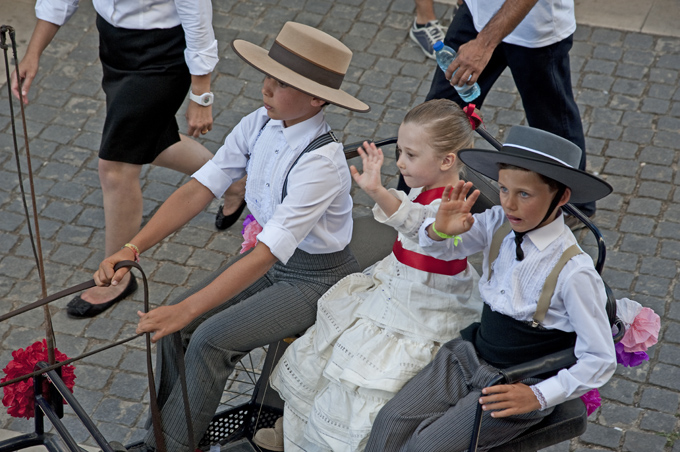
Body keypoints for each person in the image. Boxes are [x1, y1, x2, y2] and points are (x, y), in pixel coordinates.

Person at [93, 21, 370, 452]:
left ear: (317, 98)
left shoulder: (321, 163)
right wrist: (132, 248)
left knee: (207, 337)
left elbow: (264, 254)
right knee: (175, 332)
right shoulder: (259, 122)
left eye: (281, 84)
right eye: (269, 76)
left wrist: (186, 310)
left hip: (315, 277)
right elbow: (199, 188)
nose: (266, 88)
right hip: (276, 261)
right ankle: (163, 438)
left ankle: (172, 447)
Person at [365, 126, 617, 451]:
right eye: (503, 189)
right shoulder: (498, 221)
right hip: (470, 355)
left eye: (524, 194)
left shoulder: (574, 272)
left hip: (518, 381)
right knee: (389, 421)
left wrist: (538, 396)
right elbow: (444, 248)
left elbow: (599, 358)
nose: (509, 204)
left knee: (424, 447)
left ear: (562, 197)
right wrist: (441, 231)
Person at [253, 99, 484, 452]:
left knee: (371, 377)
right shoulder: (427, 185)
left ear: (446, 160)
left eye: (410, 154)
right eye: (400, 151)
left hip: (421, 303)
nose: (400, 162)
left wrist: (378, 191)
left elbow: (424, 227)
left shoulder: (451, 205)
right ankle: (300, 432)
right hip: (398, 282)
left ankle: (335, 442)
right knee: (336, 352)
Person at [9, 0, 249, 318]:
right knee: (156, 142)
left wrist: (200, 94)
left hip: (163, 53)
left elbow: (197, 12)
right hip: (115, 44)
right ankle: (234, 181)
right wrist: (33, 52)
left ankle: (118, 275)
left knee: (116, 167)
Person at [415, 0, 596, 227]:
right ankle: (413, 202)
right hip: (476, 15)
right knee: (435, 120)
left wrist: (483, 44)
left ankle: (576, 209)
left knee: (553, 124)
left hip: (534, 31)